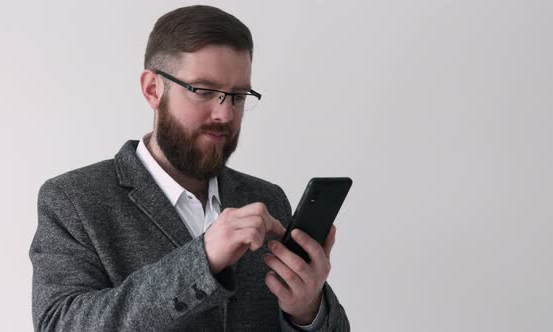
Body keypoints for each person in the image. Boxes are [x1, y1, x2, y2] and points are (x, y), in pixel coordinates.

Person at [30, 5, 350, 331]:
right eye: (203, 91)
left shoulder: (266, 198)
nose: (224, 115)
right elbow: (60, 324)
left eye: (238, 96)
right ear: (153, 89)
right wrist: (203, 258)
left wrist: (308, 312)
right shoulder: (73, 200)